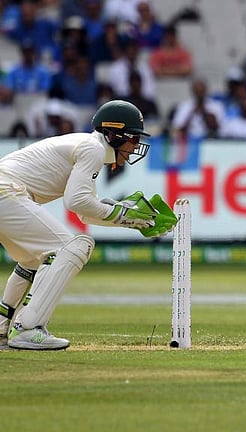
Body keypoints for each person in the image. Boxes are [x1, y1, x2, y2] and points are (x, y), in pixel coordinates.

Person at [0, 100, 172, 350]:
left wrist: (131, 220)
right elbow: (76, 201)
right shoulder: (92, 148)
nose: (135, 146)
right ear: (114, 134)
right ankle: (27, 328)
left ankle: (2, 328)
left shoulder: (89, 147)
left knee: (32, 260)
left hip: (7, 194)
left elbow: (86, 212)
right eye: (133, 139)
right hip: (6, 192)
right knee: (74, 246)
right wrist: (124, 214)